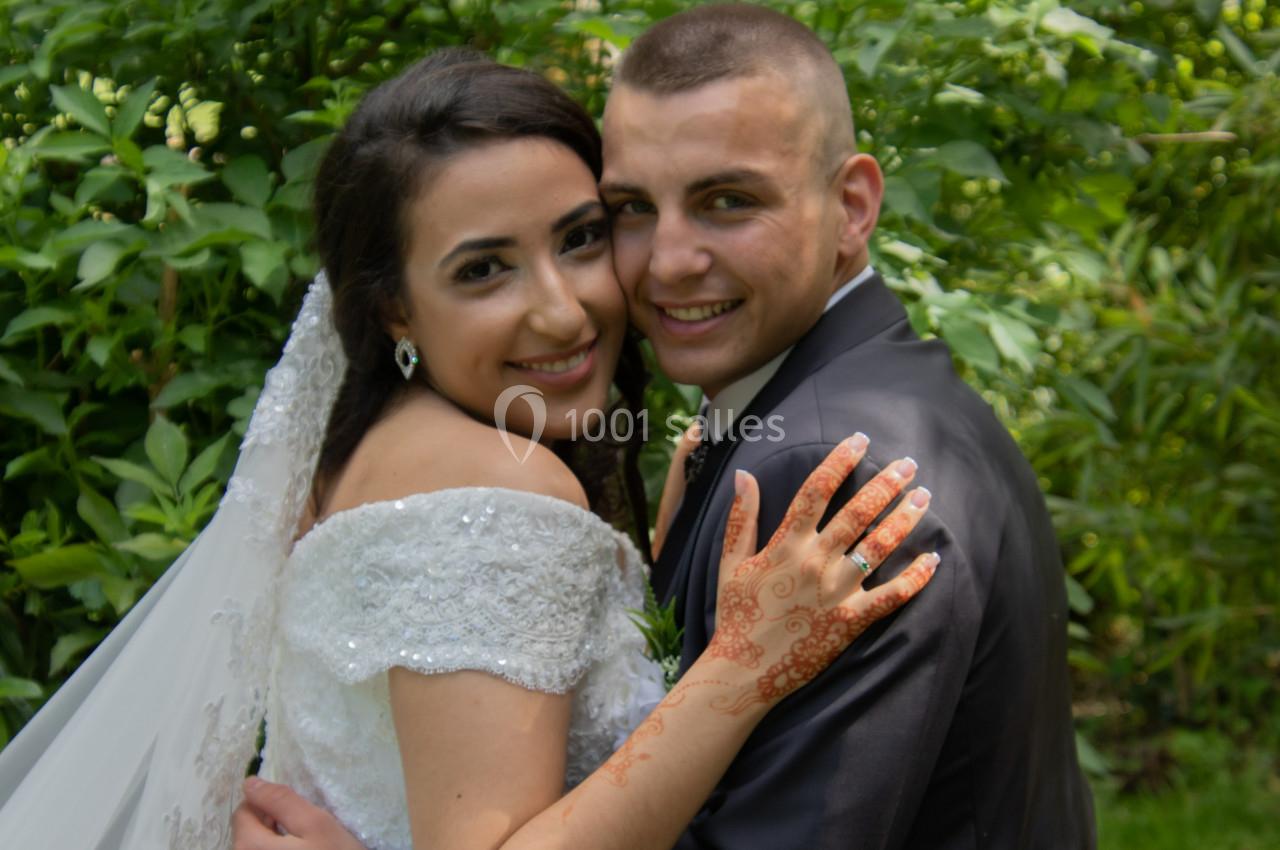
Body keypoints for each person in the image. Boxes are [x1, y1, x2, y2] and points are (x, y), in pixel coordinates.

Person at [0, 49, 940, 850]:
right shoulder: (495, 482)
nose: (563, 309)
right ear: (394, 308)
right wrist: (741, 669)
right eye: (483, 269)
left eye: (580, 239)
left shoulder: (366, 448)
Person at [241, 4, 1097, 849]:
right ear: (394, 309)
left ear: (853, 206)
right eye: (632, 211)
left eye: (727, 201)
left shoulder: (831, 472)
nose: (668, 262)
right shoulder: (830, 412)